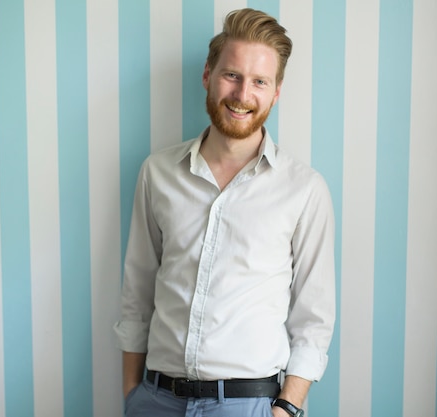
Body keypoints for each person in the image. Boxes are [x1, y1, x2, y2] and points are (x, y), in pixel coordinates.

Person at [114, 8, 335, 417]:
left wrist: (286, 408)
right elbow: (137, 294)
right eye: (232, 75)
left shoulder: (304, 189)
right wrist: (132, 394)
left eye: (259, 82)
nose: (242, 94)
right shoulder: (157, 173)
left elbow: (313, 319)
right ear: (207, 76)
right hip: (154, 400)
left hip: (247, 405)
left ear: (276, 92)